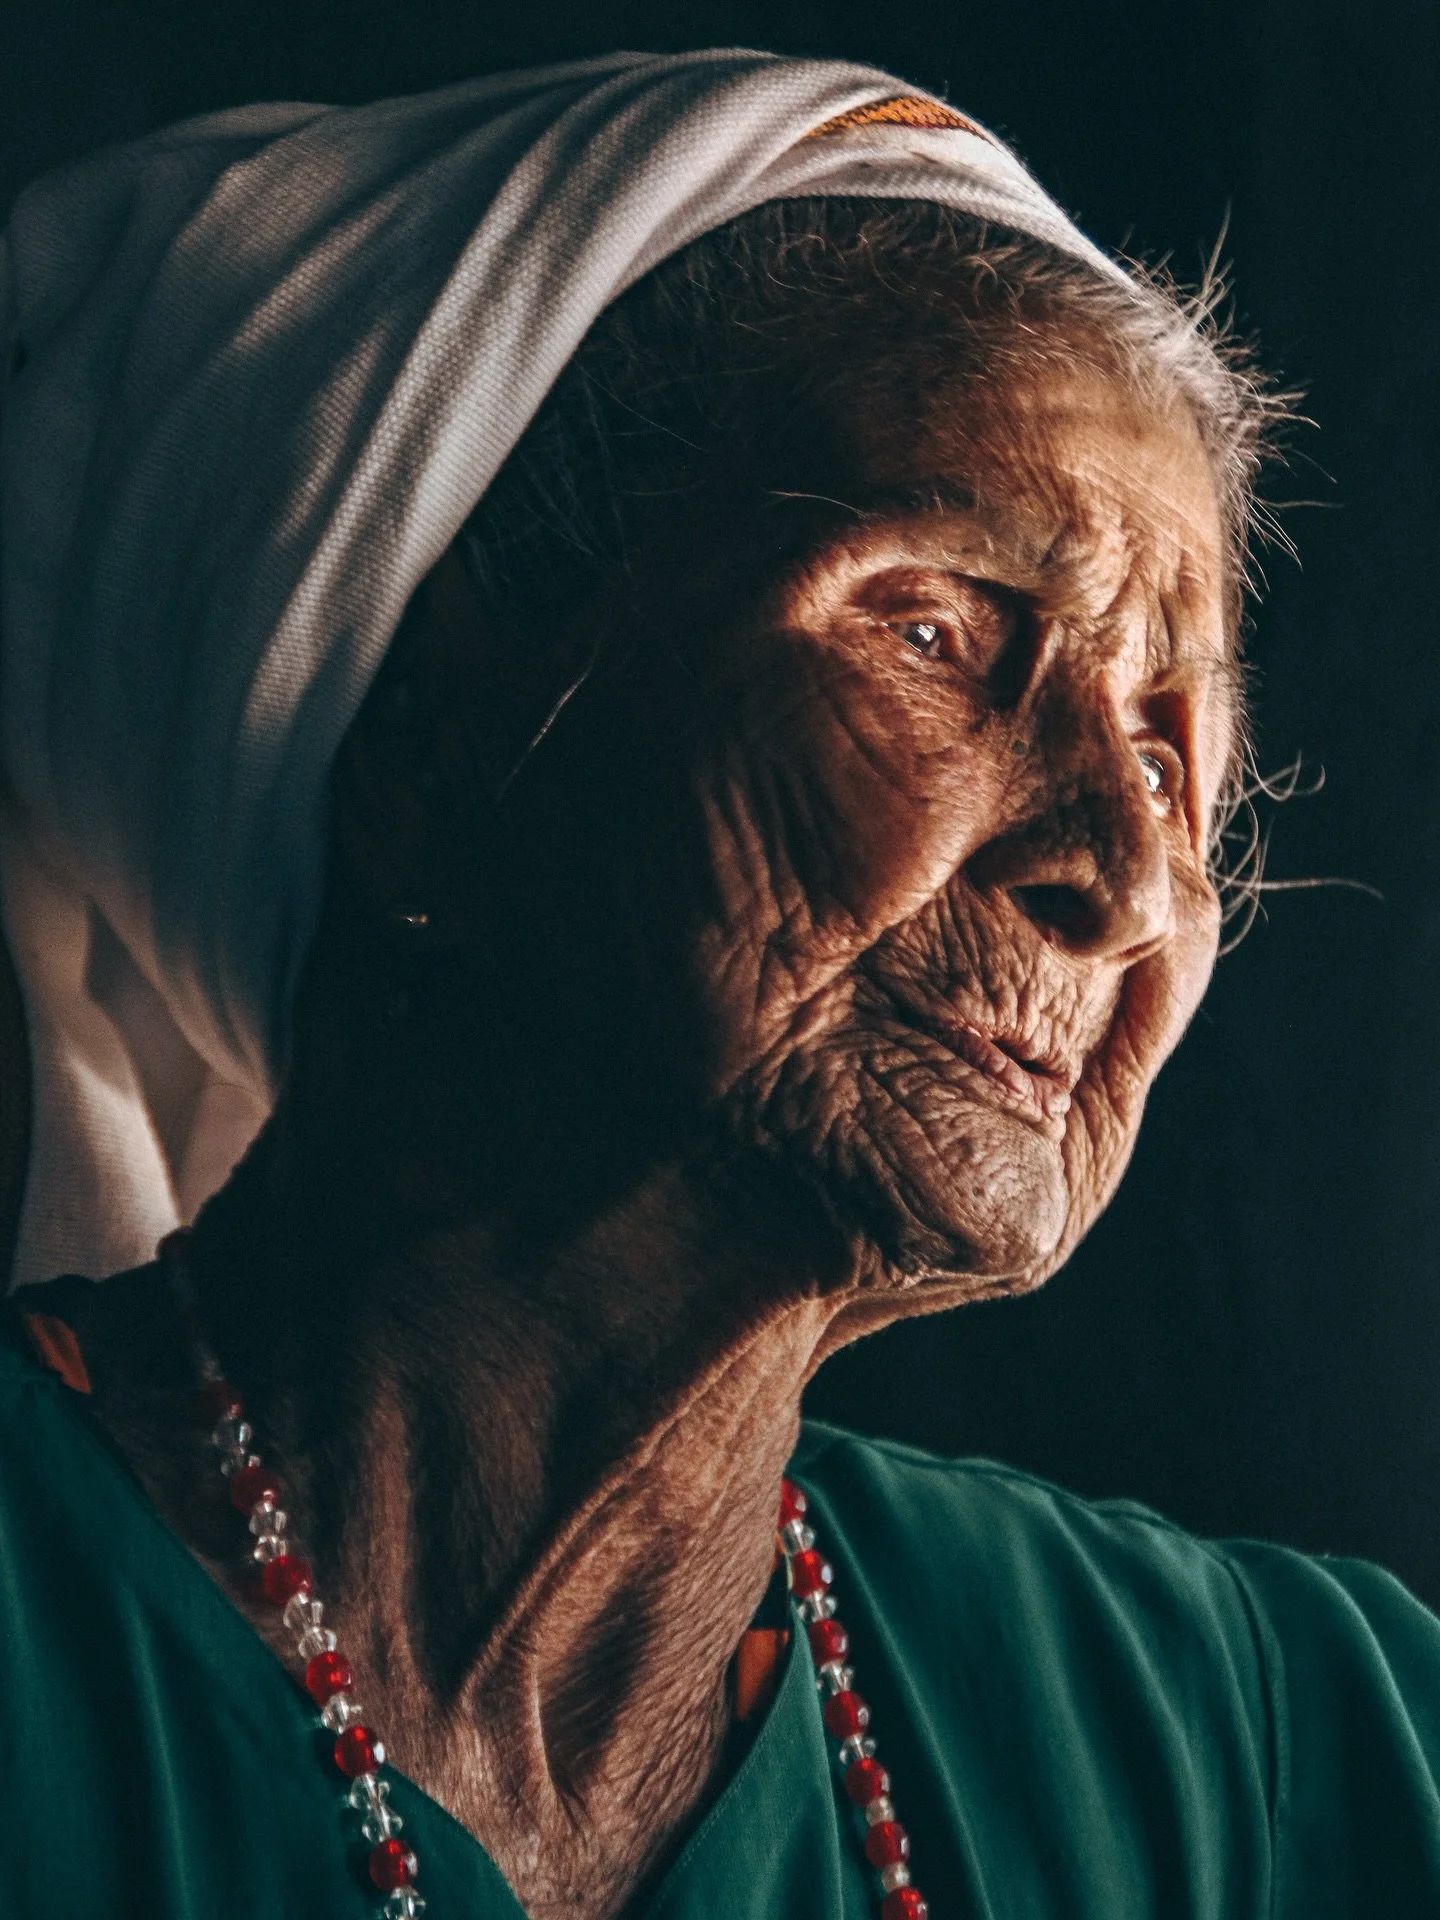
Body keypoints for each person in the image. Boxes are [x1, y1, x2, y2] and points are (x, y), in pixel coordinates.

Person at [0, 47, 1436, 1920]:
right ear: (427, 745)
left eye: (1173, 757)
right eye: (940, 635)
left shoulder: (1257, 1748)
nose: (1115, 875)